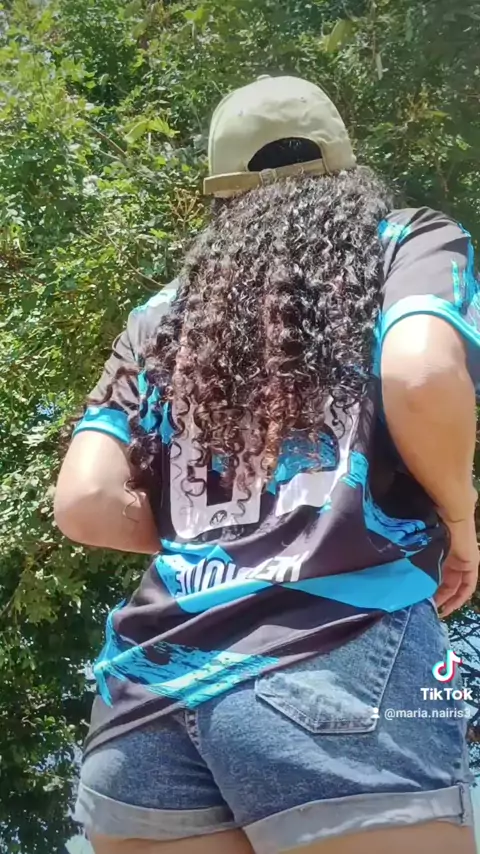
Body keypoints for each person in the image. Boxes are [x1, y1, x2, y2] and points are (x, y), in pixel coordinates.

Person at [55, 75, 479, 854]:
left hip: (143, 702)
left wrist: (225, 542)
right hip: (337, 654)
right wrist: (459, 515)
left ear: (222, 194)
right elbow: (420, 373)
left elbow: (84, 501)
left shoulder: (160, 315)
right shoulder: (405, 243)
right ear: (345, 168)